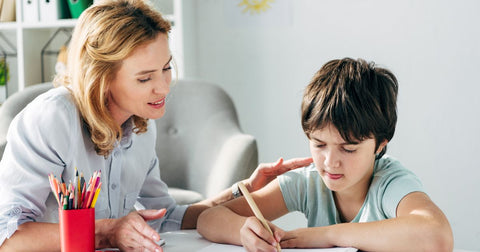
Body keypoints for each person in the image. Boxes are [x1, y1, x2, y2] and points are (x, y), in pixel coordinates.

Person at [0, 0, 313, 251]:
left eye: (165, 69)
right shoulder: (51, 120)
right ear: (101, 78)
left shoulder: (141, 125)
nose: (164, 88)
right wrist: (109, 232)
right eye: (145, 78)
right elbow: (8, 238)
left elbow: (164, 218)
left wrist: (239, 193)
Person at [197, 58, 454, 252]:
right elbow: (208, 219)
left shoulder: (390, 182)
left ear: (379, 145)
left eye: (348, 148)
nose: (330, 162)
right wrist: (243, 231)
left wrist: (328, 235)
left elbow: (437, 236)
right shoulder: (307, 182)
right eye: (319, 145)